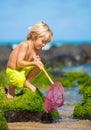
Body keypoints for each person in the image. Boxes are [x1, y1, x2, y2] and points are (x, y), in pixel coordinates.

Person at [6, 21, 53, 98]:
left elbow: (36, 59)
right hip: (14, 70)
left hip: (24, 69)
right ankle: (11, 87)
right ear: (34, 36)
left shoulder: (39, 48)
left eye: (46, 43)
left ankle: (27, 82)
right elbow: (19, 63)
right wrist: (34, 63)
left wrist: (37, 60)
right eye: (43, 41)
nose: (44, 44)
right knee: (19, 79)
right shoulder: (25, 45)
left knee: (40, 66)